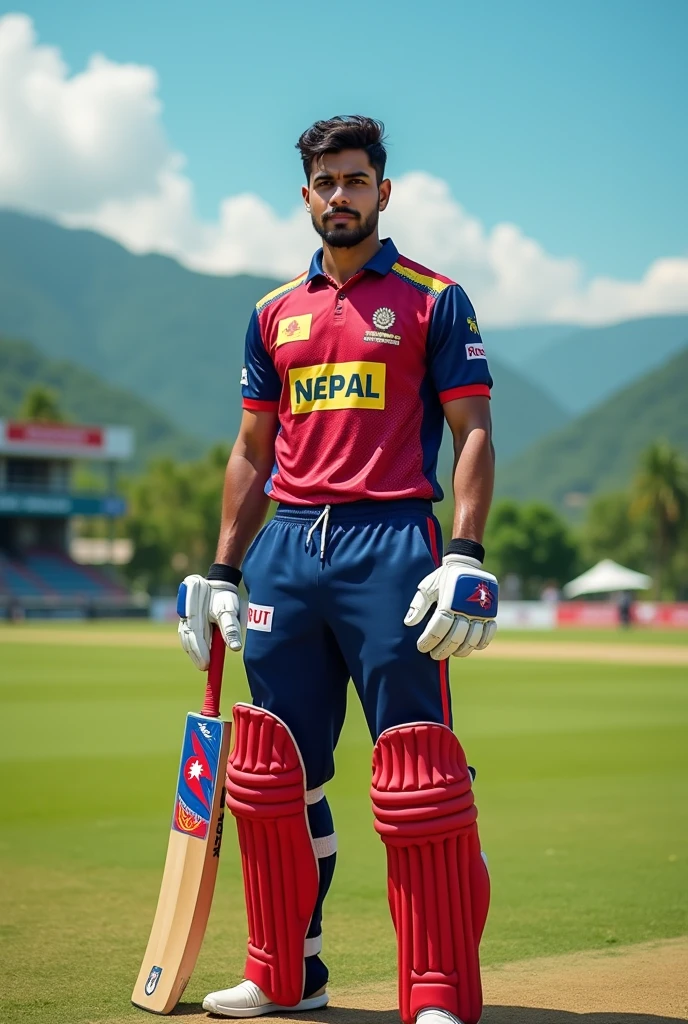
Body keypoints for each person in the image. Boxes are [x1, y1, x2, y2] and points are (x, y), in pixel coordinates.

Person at [177, 115, 498, 1024]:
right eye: (326, 182)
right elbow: (250, 450)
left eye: (356, 181)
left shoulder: (435, 299)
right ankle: (286, 974)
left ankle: (436, 988)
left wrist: (466, 555)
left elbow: (472, 430)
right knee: (274, 774)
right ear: (307, 196)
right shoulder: (273, 311)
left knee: (419, 771)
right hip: (288, 547)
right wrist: (222, 570)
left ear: (382, 192)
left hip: (392, 544)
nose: (340, 196)